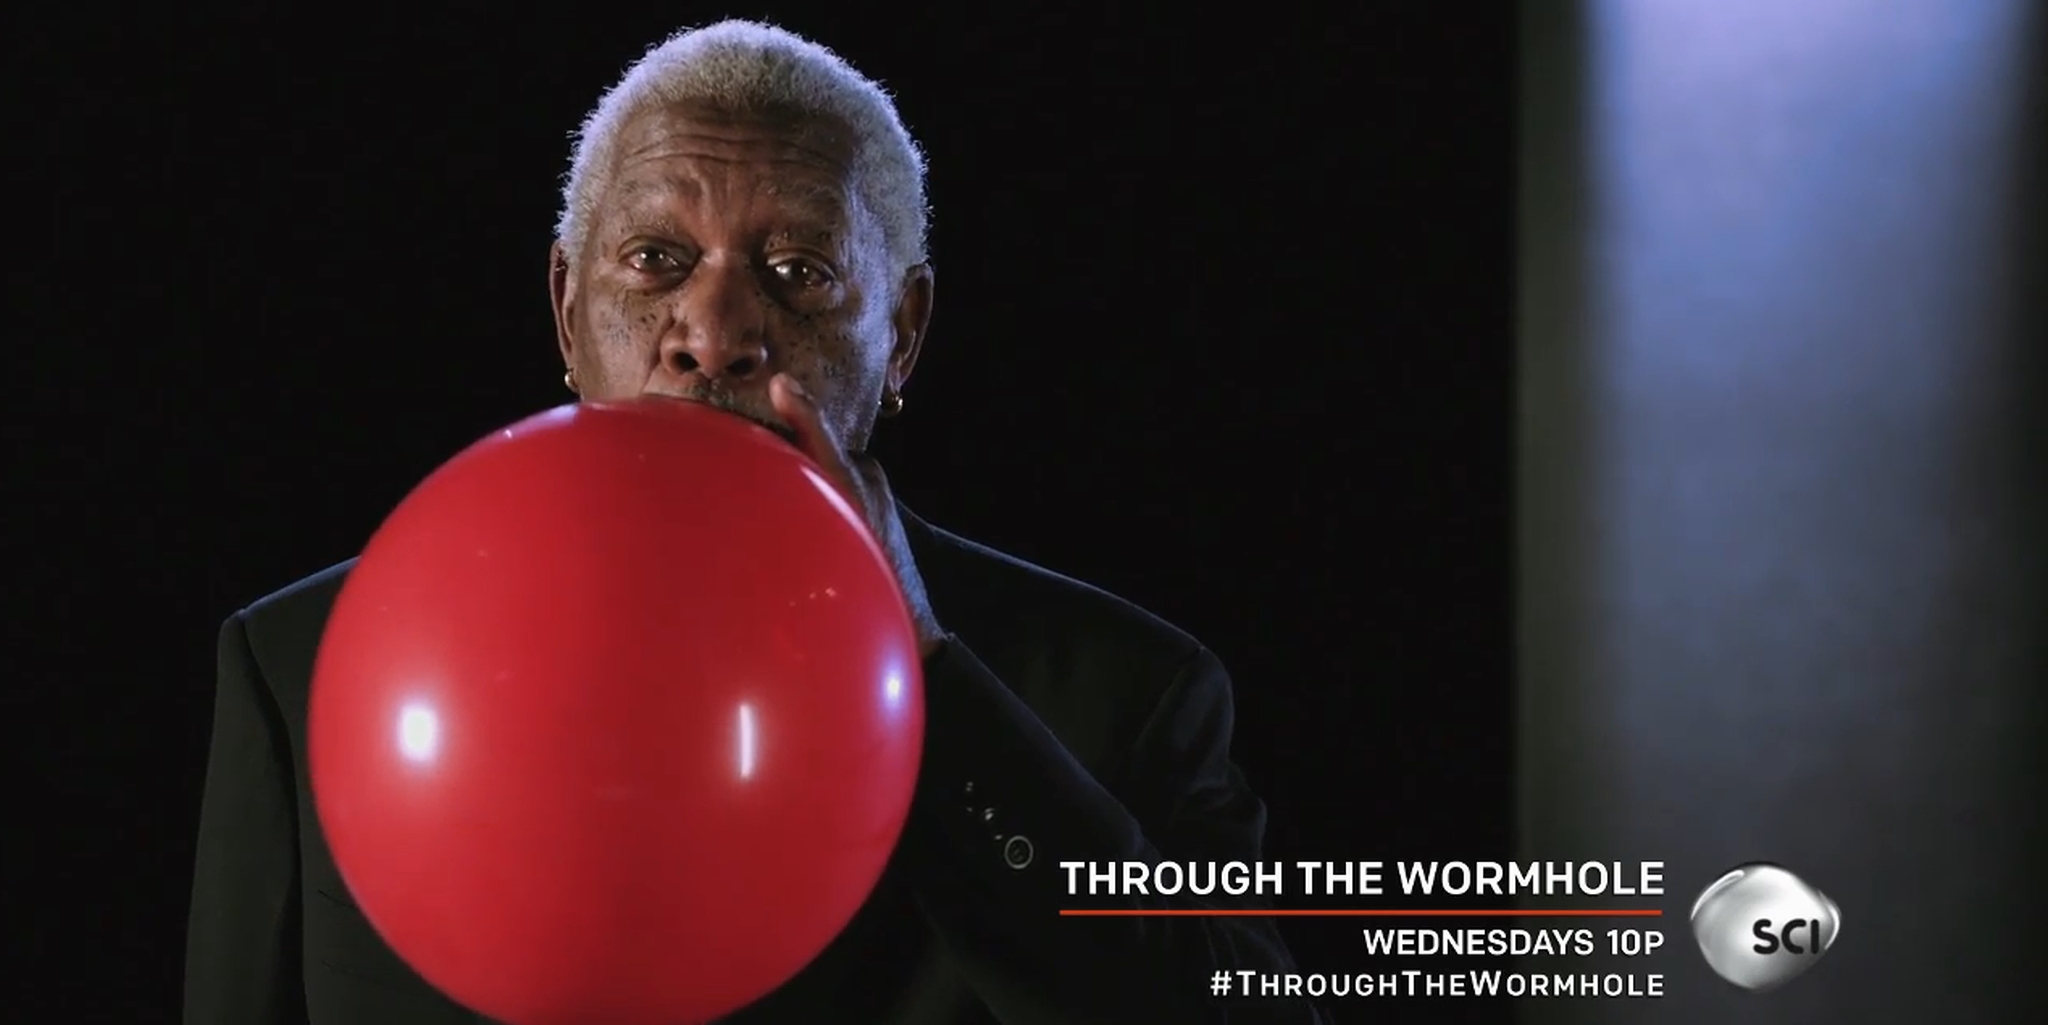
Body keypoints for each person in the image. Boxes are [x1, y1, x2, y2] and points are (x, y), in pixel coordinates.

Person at [185, 20, 1322, 1025]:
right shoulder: (301, 664)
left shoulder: (1125, 698)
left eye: (798, 270)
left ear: (903, 335)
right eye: (655, 261)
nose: (716, 331)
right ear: (568, 310)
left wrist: (926, 678)